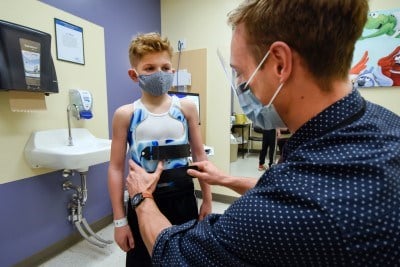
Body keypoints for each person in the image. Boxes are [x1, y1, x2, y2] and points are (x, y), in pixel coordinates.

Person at [126, 0, 400, 266]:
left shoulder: (282, 213)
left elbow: (176, 255)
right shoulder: (382, 124)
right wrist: (225, 178)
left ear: (280, 64)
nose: (240, 85)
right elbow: (296, 191)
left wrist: (141, 198)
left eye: (240, 72)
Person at [107, 32, 212, 266]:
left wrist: (207, 198)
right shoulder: (126, 115)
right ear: (134, 75)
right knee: (143, 260)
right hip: (143, 199)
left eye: (165, 67)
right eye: (150, 68)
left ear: (172, 71)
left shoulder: (186, 108)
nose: (160, 74)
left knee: (184, 257)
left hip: (183, 195)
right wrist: (119, 221)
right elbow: (115, 168)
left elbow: (199, 154)